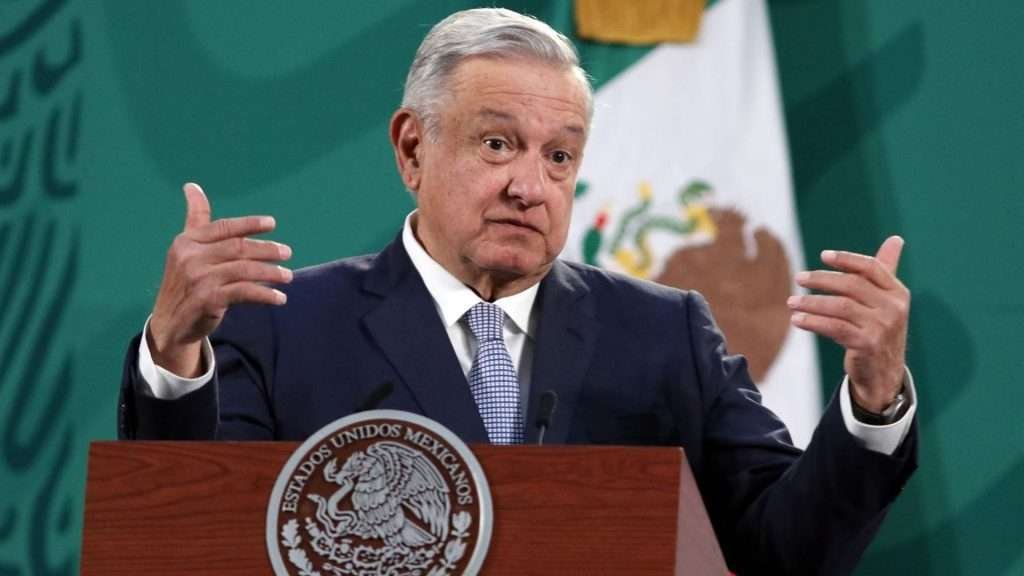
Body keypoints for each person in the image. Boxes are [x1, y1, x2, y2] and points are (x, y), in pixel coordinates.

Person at [118, 8, 917, 574]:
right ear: (412, 149)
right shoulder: (283, 327)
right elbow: (190, 540)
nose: (529, 187)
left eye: (559, 156)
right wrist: (174, 357)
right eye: (497, 144)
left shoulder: (664, 334)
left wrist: (874, 404)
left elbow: (783, 552)